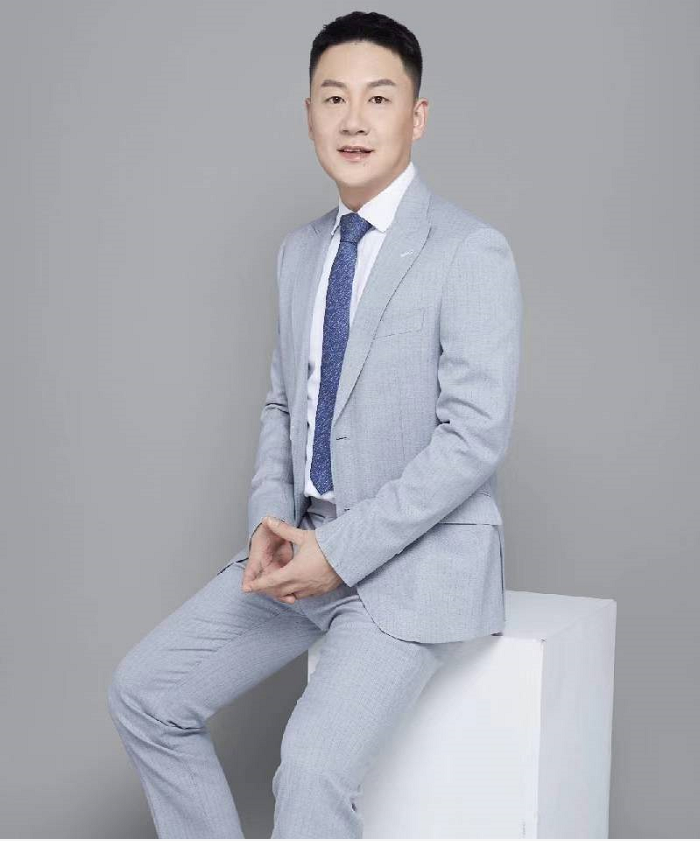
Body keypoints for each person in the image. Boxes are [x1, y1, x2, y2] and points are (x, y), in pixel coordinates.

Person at [108, 10, 522, 838]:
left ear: (417, 116)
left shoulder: (469, 250)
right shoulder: (299, 253)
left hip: (409, 569)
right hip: (301, 552)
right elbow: (282, 404)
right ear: (309, 116)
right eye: (334, 98)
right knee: (145, 693)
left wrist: (342, 551)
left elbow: (474, 436)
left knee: (309, 769)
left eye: (379, 98)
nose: (354, 120)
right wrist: (269, 520)